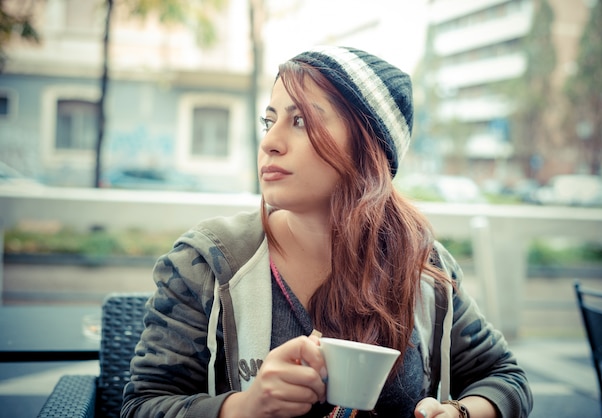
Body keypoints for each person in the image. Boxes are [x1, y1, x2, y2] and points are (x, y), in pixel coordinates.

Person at [121, 46, 533, 418]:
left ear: (366, 148)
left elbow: (505, 377)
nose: (270, 143)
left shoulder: (423, 268)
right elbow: (142, 405)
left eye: (299, 120)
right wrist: (244, 407)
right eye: (270, 121)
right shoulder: (208, 262)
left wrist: (460, 414)